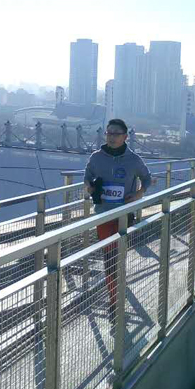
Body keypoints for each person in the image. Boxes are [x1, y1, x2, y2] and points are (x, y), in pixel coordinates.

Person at [84, 119, 152, 331]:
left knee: (116, 258)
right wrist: (89, 188)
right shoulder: (96, 158)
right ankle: (115, 301)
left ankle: (115, 299)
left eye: (116, 133)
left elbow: (147, 179)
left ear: (125, 136)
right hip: (103, 216)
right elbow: (87, 178)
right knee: (110, 259)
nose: (111, 136)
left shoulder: (133, 159)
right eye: (109, 132)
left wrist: (139, 194)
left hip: (124, 216)